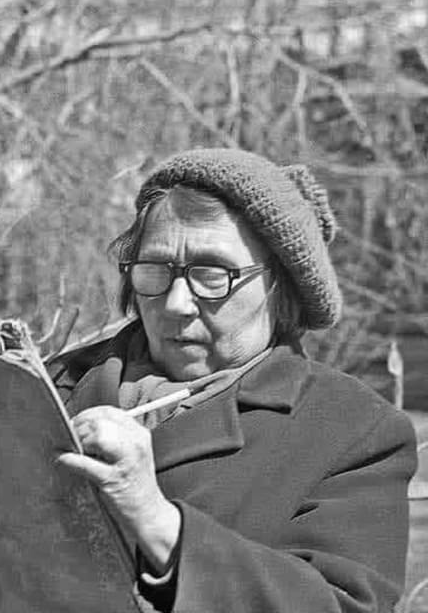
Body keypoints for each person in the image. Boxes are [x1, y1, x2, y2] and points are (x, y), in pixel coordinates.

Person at [50, 148, 418, 613]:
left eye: (212, 274)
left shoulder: (353, 430)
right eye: (156, 269)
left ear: (280, 288)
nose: (176, 303)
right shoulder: (53, 384)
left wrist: (158, 523)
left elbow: (341, 605)